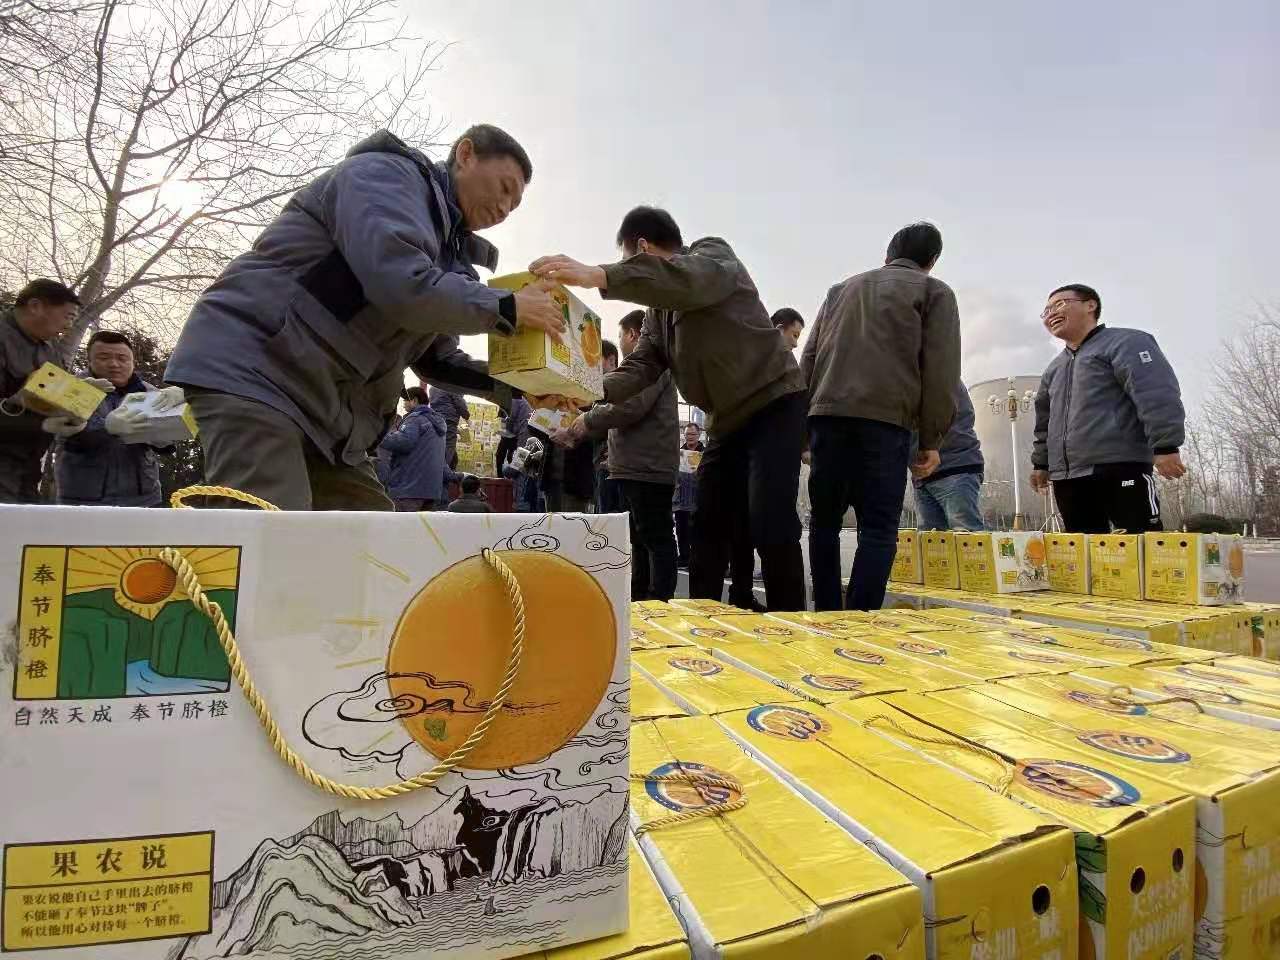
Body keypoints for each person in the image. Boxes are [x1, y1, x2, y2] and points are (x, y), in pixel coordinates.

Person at [165, 125, 565, 511]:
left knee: (368, 537)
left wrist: (519, 386)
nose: (504, 209)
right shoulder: (385, 176)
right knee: (269, 533)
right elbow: (401, 284)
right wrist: (507, 306)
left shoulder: (451, 259)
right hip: (258, 370)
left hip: (330, 416)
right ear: (466, 154)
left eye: (514, 206)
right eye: (504, 188)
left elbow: (437, 359)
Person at [532, 206, 807, 611]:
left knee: (769, 518)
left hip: (774, 401)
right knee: (708, 524)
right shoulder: (656, 317)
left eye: (628, 261)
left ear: (642, 249)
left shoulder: (713, 256)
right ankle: (704, 621)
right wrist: (584, 390)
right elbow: (641, 368)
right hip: (727, 420)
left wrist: (599, 275)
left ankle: (791, 623)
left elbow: (686, 281)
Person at [801, 222, 960, 611]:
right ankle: (859, 615)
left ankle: (826, 611)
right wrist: (931, 439)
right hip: (885, 422)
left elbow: (809, 357)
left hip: (827, 416)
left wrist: (802, 430)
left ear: (888, 255)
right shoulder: (934, 291)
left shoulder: (840, 290)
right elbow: (941, 369)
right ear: (932, 260)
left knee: (824, 522)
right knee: (878, 527)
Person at [1030, 283, 1185, 534]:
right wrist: (1041, 464)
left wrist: (1165, 445)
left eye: (1059, 304)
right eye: (1046, 311)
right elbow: (1044, 422)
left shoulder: (1126, 342)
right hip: (1068, 478)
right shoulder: (1054, 369)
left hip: (1120, 466)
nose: (1051, 314)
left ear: (1090, 305)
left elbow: (1155, 391)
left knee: (1139, 545)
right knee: (1083, 550)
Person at [578, 310, 679, 600]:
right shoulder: (638, 370)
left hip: (648, 466)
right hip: (634, 465)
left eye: (621, 334)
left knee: (654, 536)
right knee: (638, 537)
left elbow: (629, 408)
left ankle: (660, 602)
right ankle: (640, 598)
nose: (620, 340)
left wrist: (586, 420)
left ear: (633, 334)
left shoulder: (651, 367)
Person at [1, 280, 112, 504]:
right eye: (68, 316)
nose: (69, 325)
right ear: (35, 306)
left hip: (28, 467)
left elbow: (55, 396)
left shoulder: (50, 349)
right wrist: (42, 425)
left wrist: (79, 395)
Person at [55, 331, 165, 507]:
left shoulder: (149, 392)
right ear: (89, 361)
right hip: (83, 497)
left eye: (122, 358)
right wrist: (108, 427)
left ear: (133, 362)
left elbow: (166, 441)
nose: (114, 364)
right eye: (104, 357)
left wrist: (165, 436)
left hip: (144, 496)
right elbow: (72, 435)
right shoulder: (72, 389)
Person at [911, 381, 984, 530]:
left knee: (966, 537)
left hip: (954, 466)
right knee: (930, 540)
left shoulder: (939, 376)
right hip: (925, 475)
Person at [378, 387, 447, 511]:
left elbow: (404, 442)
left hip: (409, 488)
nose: (403, 403)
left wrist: (377, 436)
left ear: (414, 400)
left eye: (405, 400)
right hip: (431, 491)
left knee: (401, 523)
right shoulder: (438, 423)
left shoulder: (415, 419)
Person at [593, 340, 625, 514]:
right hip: (605, 463)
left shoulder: (616, 386)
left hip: (611, 465)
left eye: (596, 358)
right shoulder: (600, 388)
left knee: (609, 519)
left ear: (611, 360)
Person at [674, 422, 703, 568]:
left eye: (693, 434)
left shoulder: (705, 453)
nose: (690, 437)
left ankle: (699, 557)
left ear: (699, 435)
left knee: (698, 530)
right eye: (687, 434)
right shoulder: (678, 453)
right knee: (681, 530)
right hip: (681, 497)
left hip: (698, 498)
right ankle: (684, 557)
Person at [430, 387, 471, 470]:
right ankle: (442, 472)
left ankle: (442, 470)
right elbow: (460, 403)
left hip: (435, 420)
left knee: (438, 447)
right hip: (448, 421)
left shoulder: (433, 387)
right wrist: (467, 417)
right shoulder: (451, 386)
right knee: (448, 448)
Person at [495, 395, 530, 475]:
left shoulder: (515, 398)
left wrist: (505, 431)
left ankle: (506, 475)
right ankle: (508, 474)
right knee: (509, 455)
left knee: (505, 457)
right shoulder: (521, 400)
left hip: (519, 432)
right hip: (519, 432)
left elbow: (510, 416)